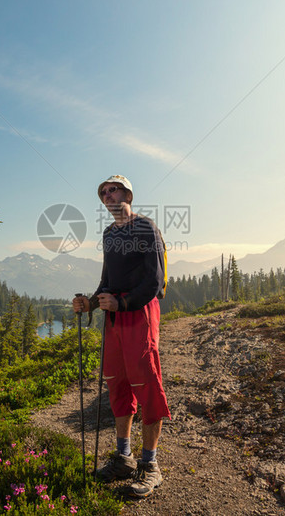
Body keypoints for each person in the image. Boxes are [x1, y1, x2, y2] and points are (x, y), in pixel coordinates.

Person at [73, 174, 170, 498]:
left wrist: (124, 302)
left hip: (139, 313)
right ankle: (124, 458)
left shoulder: (146, 228)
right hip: (114, 317)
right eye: (102, 192)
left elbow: (155, 280)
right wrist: (90, 301)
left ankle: (150, 466)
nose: (107, 195)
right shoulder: (108, 234)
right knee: (118, 383)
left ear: (128, 192)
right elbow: (107, 279)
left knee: (146, 383)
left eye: (113, 189)